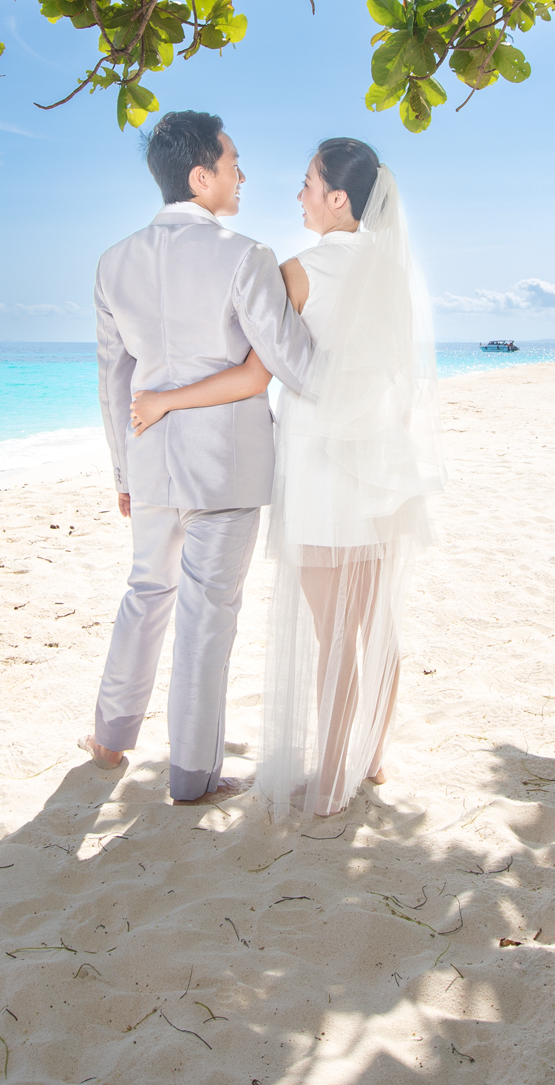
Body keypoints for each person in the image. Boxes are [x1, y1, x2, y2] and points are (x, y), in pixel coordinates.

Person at [131, 138, 441, 819]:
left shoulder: (299, 270)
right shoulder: (393, 272)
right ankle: (372, 754)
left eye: (307, 184)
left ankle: (332, 781)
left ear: (337, 198)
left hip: (326, 468)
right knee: (373, 626)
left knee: (333, 633)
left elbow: (250, 373)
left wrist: (163, 399)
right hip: (384, 466)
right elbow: (398, 377)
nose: (296, 196)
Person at [85, 110, 317, 805]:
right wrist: (312, 306)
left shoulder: (112, 261)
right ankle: (191, 775)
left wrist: (123, 472)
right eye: (234, 162)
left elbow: (112, 381)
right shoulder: (244, 256)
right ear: (201, 175)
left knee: (145, 595)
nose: (242, 175)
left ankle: (110, 737)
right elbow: (292, 362)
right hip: (227, 462)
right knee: (207, 615)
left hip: (150, 456)